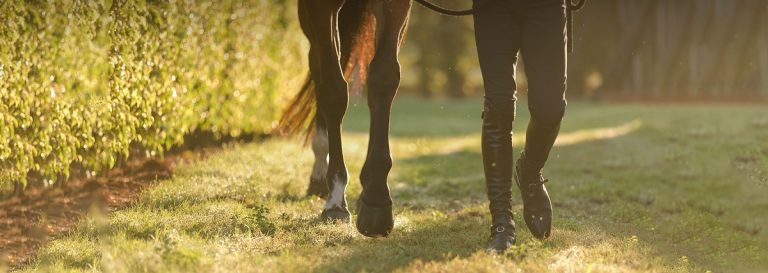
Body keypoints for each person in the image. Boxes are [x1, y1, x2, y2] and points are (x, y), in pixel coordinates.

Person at [473, 0, 573, 252]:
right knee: (498, 107)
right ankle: (502, 220)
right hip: (493, 8)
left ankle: (529, 171)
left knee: (550, 109)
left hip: (546, 6)